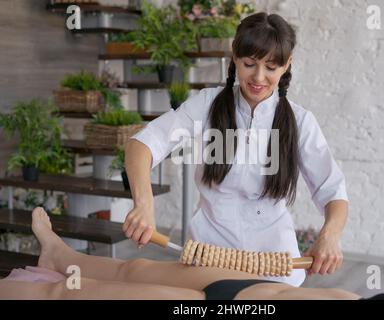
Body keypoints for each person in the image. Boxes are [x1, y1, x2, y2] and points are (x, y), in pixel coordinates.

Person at [124, 12, 349, 287]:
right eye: (249, 64)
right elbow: (143, 144)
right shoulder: (207, 104)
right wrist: (144, 205)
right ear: (235, 57)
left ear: (287, 65)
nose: (258, 77)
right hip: (207, 258)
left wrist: (330, 235)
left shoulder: (301, 122)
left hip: (275, 262)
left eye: (271, 67)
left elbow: (332, 191)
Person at [1, 207, 384, 300]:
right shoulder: (354, 298)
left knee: (72, 295)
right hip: (247, 288)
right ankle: (55, 252)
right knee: (133, 267)